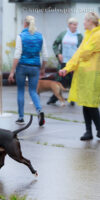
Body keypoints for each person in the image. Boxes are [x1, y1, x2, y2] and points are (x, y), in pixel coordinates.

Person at [59, 12, 100, 141]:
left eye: (85, 21)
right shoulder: (88, 35)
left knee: (91, 103)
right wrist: (66, 68)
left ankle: (99, 129)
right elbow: (78, 54)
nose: (83, 23)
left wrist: (80, 53)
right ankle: (88, 131)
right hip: (82, 73)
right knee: (84, 103)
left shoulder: (98, 35)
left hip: (93, 73)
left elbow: (86, 52)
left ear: (91, 22)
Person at [8, 16, 48, 126]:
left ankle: (21, 118)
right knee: (33, 91)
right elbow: (45, 56)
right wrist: (43, 69)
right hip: (35, 67)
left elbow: (17, 55)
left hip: (22, 66)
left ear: (24, 24)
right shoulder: (40, 36)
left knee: (21, 90)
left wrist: (12, 71)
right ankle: (39, 111)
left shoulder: (21, 36)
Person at [47, 17, 83, 105]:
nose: (75, 26)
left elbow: (82, 48)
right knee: (60, 80)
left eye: (76, 25)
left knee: (73, 81)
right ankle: (54, 98)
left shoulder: (79, 36)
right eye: (74, 24)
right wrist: (58, 54)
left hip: (74, 62)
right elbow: (55, 44)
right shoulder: (63, 34)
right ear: (69, 25)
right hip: (64, 61)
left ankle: (72, 99)